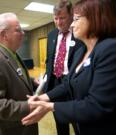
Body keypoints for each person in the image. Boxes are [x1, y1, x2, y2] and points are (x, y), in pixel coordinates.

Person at [22, 0, 116, 135]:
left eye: (76, 19)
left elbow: (97, 105)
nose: (72, 24)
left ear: (95, 19)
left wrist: (50, 106)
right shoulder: (81, 52)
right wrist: (43, 97)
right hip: (80, 120)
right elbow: (68, 84)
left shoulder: (109, 49)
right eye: (56, 18)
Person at [0, 12, 38, 135]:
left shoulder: (11, 53)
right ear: (4, 35)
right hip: (8, 128)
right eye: (18, 30)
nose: (23, 33)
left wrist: (32, 81)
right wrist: (27, 107)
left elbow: (14, 76)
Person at [44, 1, 82, 135]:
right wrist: (45, 77)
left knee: (78, 122)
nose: (58, 22)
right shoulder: (51, 35)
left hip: (73, 83)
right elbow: (49, 60)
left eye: (62, 18)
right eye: (55, 18)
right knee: (60, 121)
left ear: (71, 15)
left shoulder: (79, 34)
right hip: (55, 82)